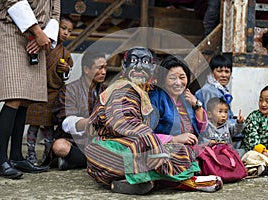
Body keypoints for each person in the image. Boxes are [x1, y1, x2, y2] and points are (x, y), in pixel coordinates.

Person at [85, 47, 223, 195]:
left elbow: (197, 130)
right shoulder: (122, 89)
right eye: (133, 61)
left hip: (141, 146)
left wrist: (196, 107)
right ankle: (183, 181)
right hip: (111, 147)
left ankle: (139, 181)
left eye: (144, 62)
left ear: (152, 68)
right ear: (124, 66)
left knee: (178, 151)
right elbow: (125, 123)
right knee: (157, 152)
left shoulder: (148, 90)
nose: (138, 66)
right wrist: (161, 142)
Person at [0, 1, 60, 179]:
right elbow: (12, 1)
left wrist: (43, 37)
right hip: (13, 31)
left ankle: (16, 157)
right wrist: (37, 32)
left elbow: (55, 11)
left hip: (39, 39)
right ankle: (1, 160)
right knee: (14, 95)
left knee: (25, 98)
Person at [25, 17, 74, 166]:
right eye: (63, 28)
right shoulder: (41, 45)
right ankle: (30, 155)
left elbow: (68, 72)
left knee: (49, 128)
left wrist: (66, 70)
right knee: (33, 126)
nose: (66, 33)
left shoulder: (65, 53)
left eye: (69, 31)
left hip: (53, 94)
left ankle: (47, 156)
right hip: (37, 91)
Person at [50, 50, 107, 170]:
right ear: (86, 69)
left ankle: (74, 162)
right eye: (99, 68)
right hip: (74, 141)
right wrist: (90, 122)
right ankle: (92, 162)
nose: (104, 72)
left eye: (105, 68)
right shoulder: (70, 90)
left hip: (98, 141)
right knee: (59, 146)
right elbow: (66, 122)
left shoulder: (107, 91)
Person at [149, 55, 208, 147]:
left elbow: (202, 132)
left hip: (192, 148)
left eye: (182, 77)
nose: (178, 83)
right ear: (163, 79)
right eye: (172, 78)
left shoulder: (187, 98)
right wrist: (174, 139)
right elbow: (146, 136)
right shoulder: (155, 100)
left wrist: (197, 106)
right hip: (168, 151)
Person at [195, 54, 234, 120]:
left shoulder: (222, 90)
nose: (224, 75)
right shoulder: (209, 91)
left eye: (227, 72)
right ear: (212, 73)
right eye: (219, 71)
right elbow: (214, 120)